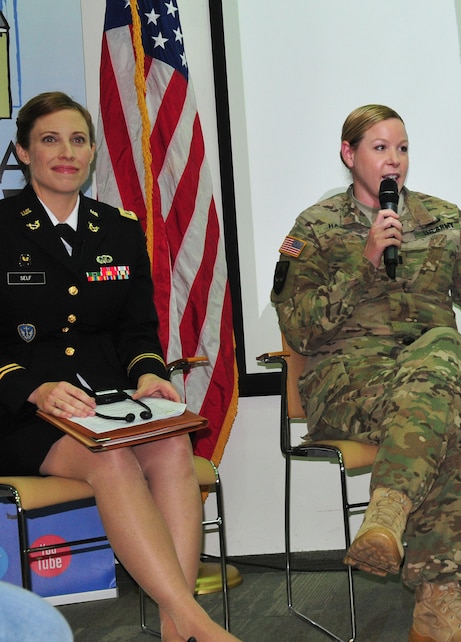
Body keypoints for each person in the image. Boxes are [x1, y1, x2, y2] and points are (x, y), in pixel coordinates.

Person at [271, 104, 461, 642]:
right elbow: (300, 331)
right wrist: (364, 264)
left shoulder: (444, 220)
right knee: (441, 414)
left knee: (440, 351)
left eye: (402, 148)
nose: (395, 161)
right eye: (380, 148)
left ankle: (387, 515)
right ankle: (439, 603)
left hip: (444, 371)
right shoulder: (314, 230)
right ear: (349, 155)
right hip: (351, 384)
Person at [0, 91, 237, 642]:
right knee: (110, 463)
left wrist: (148, 374)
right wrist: (34, 389)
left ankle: (176, 626)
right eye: (49, 140)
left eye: (78, 140)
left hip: (107, 407)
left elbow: (136, 331)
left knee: (174, 444)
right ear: (23, 151)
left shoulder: (119, 230)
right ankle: (194, 622)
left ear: (91, 154)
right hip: (21, 412)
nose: (66, 152)